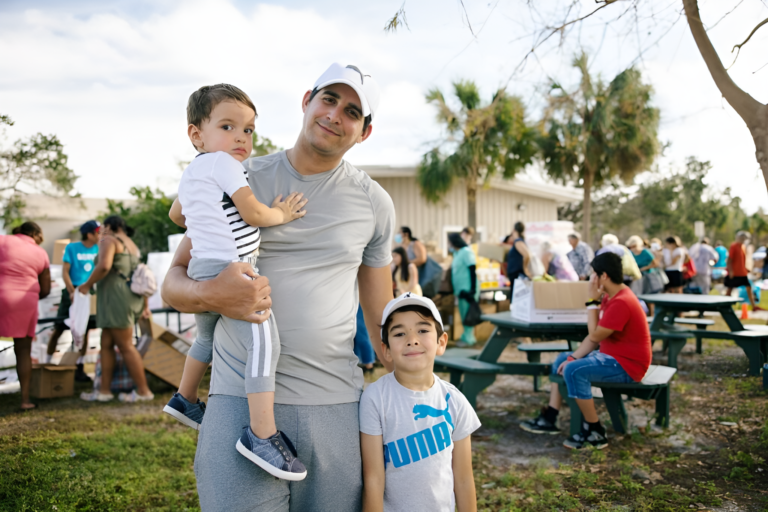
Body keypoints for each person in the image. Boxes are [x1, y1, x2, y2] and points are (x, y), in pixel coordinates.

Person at [161, 63, 395, 511]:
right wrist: (211, 295)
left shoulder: (374, 203)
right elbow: (174, 283)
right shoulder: (235, 173)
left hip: (336, 405)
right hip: (237, 403)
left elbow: (378, 308)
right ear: (307, 101)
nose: (334, 115)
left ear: (364, 131)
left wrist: (409, 375)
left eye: (351, 111)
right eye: (328, 99)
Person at [162, 84, 309, 480]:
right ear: (197, 135)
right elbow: (255, 213)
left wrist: (206, 221)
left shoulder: (194, 172)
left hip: (203, 266)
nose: (241, 138)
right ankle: (262, 434)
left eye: (248, 129)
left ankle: (186, 397)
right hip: (234, 267)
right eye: (228, 126)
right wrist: (281, 213)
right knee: (265, 343)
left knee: (205, 338)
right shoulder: (224, 164)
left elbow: (179, 215)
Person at [360, 293, 480, 512]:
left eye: (423, 330)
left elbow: (463, 479)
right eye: (399, 333)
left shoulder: (455, 401)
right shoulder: (375, 399)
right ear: (385, 350)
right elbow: (373, 479)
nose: (412, 339)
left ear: (441, 342)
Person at [519, 252, 651, 449]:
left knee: (574, 370)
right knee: (562, 360)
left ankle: (594, 430)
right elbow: (594, 338)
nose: (591, 279)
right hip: (611, 358)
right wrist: (572, 357)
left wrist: (592, 301)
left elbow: (595, 335)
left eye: (594, 274)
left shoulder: (622, 302)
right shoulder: (612, 297)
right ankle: (550, 417)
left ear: (603, 276)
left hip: (628, 366)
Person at [78, 215, 153, 403]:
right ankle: (104, 391)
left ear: (109, 226)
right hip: (126, 297)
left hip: (116, 298)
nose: (100, 231)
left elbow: (104, 266)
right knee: (106, 344)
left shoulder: (109, 240)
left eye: (103, 227)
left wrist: (86, 285)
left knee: (126, 345)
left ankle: (144, 392)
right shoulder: (131, 244)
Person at [0, 222, 51, 411]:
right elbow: (45, 289)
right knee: (23, 351)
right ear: (33, 233)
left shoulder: (3, 241)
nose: (40, 242)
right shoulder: (41, 253)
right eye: (40, 238)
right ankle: (25, 400)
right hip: (24, 301)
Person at [46, 220, 101, 381]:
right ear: (89, 234)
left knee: (85, 330)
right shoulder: (72, 248)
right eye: (97, 232)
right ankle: (46, 364)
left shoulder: (99, 249)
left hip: (89, 292)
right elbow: (65, 272)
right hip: (72, 290)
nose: (100, 235)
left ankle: (79, 367)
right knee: (59, 327)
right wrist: (71, 292)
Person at [448, 233, 479, 348]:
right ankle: (465, 336)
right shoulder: (457, 254)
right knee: (463, 313)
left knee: (468, 314)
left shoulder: (466, 252)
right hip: (461, 290)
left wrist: (472, 289)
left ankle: (469, 338)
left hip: (468, 289)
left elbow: (472, 268)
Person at [725, 231, 762, 310]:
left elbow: (742, 261)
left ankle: (753, 306)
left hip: (742, 273)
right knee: (729, 290)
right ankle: (724, 305)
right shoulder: (734, 246)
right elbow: (729, 260)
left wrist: (746, 269)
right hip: (734, 273)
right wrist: (731, 271)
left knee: (749, 287)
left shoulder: (743, 246)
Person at [353, 305, 376, 374]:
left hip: (358, 301)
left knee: (361, 335)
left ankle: (369, 365)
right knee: (356, 335)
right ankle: (358, 363)